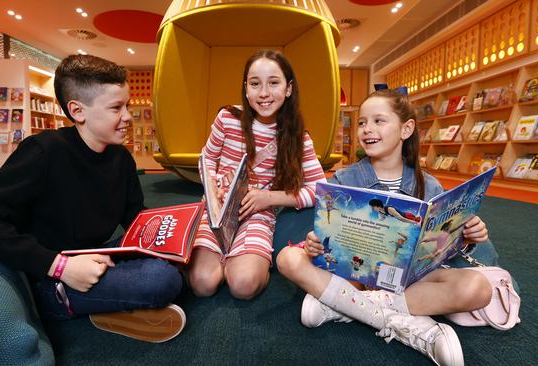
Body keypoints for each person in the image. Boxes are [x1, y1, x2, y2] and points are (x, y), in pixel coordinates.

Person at [0, 54, 185, 343]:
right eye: (116, 108)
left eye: (127, 106)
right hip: (48, 274)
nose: (127, 117)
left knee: (175, 257)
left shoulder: (120, 158)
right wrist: (60, 266)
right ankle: (81, 306)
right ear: (77, 111)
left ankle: (110, 304)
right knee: (161, 280)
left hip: (94, 255)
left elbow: (135, 219)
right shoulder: (43, 152)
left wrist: (170, 236)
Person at [277, 89, 497, 366]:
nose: (367, 129)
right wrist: (315, 242)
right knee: (288, 258)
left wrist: (467, 236)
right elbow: (328, 235)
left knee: (478, 288)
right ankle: (413, 328)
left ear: (406, 129)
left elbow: (441, 245)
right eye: (362, 122)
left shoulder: (428, 185)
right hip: (356, 276)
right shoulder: (345, 178)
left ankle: (342, 306)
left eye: (379, 121)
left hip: (409, 282)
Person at [188, 49, 326, 300]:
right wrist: (213, 187)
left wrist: (269, 198)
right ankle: (223, 256)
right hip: (216, 212)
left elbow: (320, 190)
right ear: (246, 88)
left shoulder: (298, 137)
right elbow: (206, 158)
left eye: (273, 82)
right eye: (255, 84)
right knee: (201, 283)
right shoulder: (227, 118)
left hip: (258, 216)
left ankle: (237, 258)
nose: (263, 93)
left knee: (243, 286)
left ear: (288, 88)